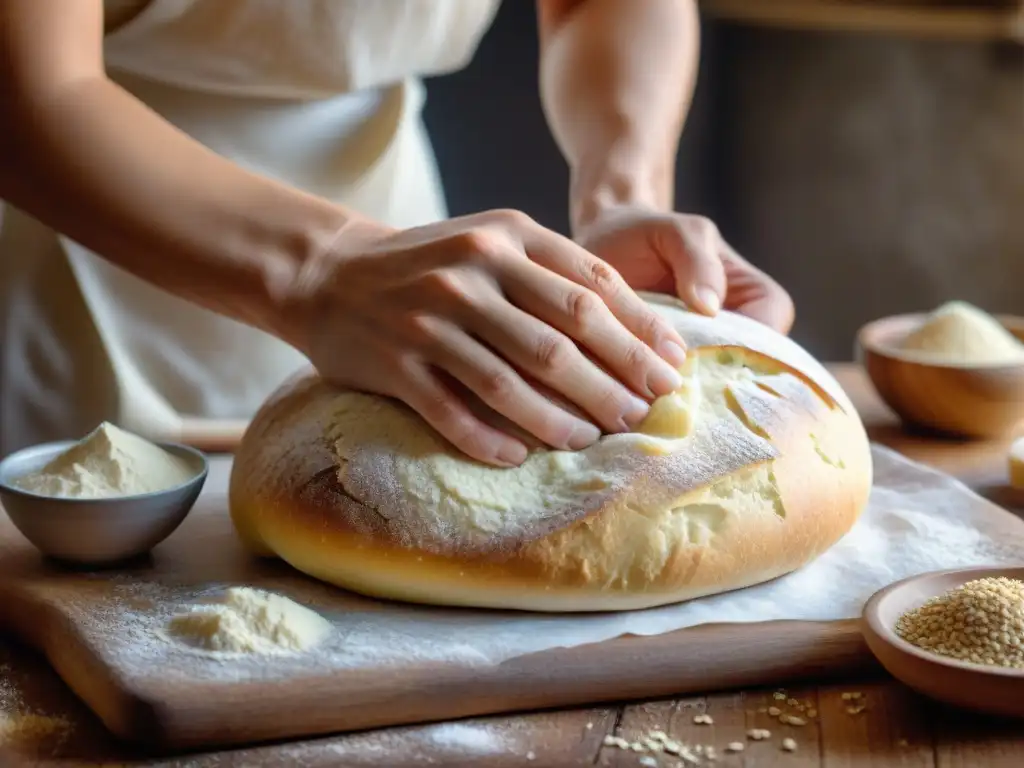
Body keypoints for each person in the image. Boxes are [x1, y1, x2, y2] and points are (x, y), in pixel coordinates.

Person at [0, 0, 793, 467]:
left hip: (397, 260)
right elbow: (28, 90)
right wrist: (322, 272)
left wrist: (620, 194)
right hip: (79, 242)